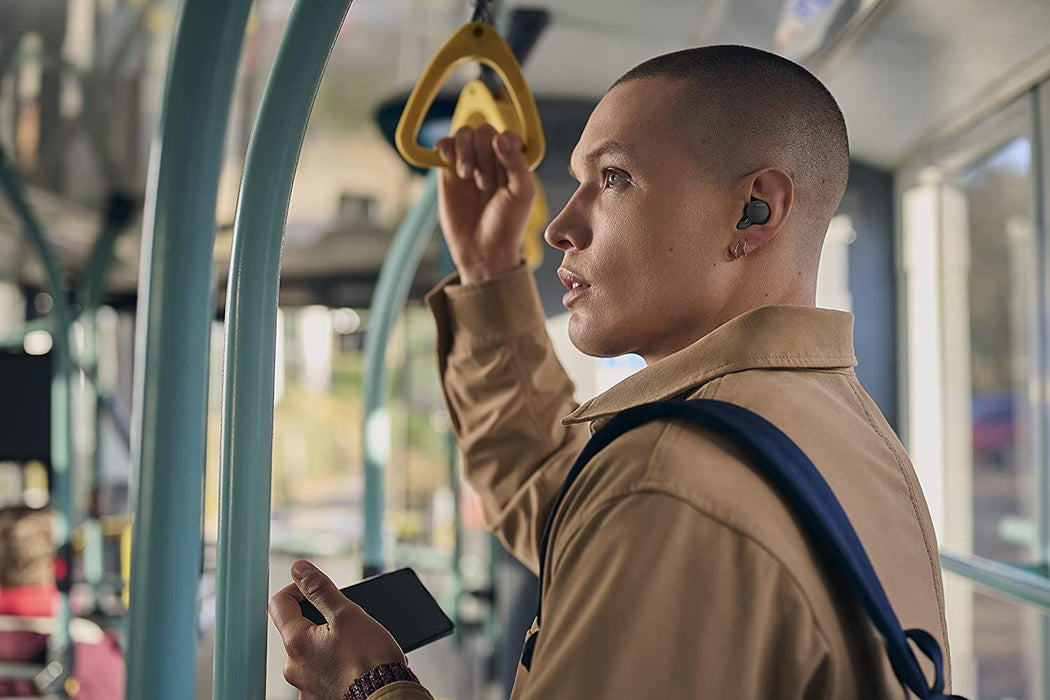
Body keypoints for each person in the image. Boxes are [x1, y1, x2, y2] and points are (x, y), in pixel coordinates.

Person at [269, 45, 950, 699]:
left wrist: (369, 688)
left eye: (614, 177)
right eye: (577, 182)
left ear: (755, 208)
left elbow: (641, 500)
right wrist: (487, 272)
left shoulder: (667, 483)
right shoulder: (838, 429)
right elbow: (555, 496)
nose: (559, 226)